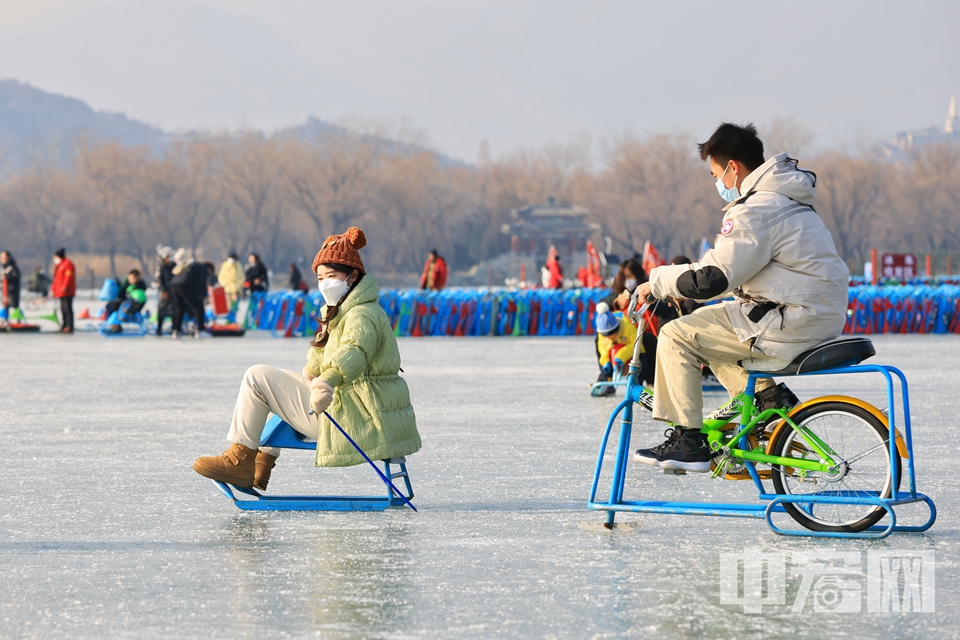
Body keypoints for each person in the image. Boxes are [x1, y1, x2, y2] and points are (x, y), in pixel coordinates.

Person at [633, 122, 848, 472]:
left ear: (733, 167)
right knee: (711, 330)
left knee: (676, 335)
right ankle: (767, 399)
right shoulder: (788, 202)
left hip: (792, 320)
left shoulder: (756, 210)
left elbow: (712, 279)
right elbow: (729, 268)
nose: (717, 183)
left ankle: (688, 440)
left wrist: (657, 281)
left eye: (716, 173)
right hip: (814, 313)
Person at [193, 226, 422, 490]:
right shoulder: (341, 311)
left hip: (357, 417)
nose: (325, 284)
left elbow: (354, 352)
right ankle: (260, 465)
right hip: (358, 408)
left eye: (332, 276)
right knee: (278, 381)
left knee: (257, 377)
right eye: (320, 278)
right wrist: (311, 376)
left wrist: (327, 382)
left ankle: (241, 460)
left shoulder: (361, 315)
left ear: (352, 277)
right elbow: (317, 360)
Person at [592, 302, 641, 397]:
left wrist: (621, 355)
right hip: (613, 356)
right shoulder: (602, 336)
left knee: (643, 362)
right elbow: (602, 348)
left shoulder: (628, 328)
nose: (610, 337)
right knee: (605, 364)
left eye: (611, 334)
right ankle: (607, 380)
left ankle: (639, 383)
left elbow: (635, 345)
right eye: (606, 336)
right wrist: (605, 360)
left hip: (633, 356)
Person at [169, 248, 208, 339]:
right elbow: (202, 282)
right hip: (184, 284)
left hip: (174, 284)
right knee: (198, 307)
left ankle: (176, 331)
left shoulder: (189, 266)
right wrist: (202, 295)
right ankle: (201, 330)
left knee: (179, 308)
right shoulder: (202, 267)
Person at [51, 248, 76, 333]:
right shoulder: (59, 265)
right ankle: (64, 325)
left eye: (55, 257)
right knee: (62, 310)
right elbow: (56, 279)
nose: (54, 259)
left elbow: (68, 277)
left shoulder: (68, 264)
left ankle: (69, 326)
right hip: (60, 292)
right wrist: (53, 289)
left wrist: (65, 286)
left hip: (67, 291)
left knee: (67, 309)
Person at [156, 245, 176, 336]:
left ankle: (174, 329)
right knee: (162, 312)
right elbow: (159, 281)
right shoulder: (161, 268)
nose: (171, 258)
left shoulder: (174, 266)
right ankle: (159, 329)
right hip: (164, 294)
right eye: (169, 256)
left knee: (174, 311)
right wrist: (164, 291)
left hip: (174, 292)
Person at [1, 251, 21, 326]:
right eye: (1, 257)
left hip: (13, 291)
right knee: (6, 306)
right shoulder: (3, 268)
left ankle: (18, 322)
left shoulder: (12, 267)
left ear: (8, 257)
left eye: (3, 257)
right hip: (5, 292)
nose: (2, 259)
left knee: (15, 307)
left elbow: (16, 276)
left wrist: (7, 278)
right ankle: (5, 321)